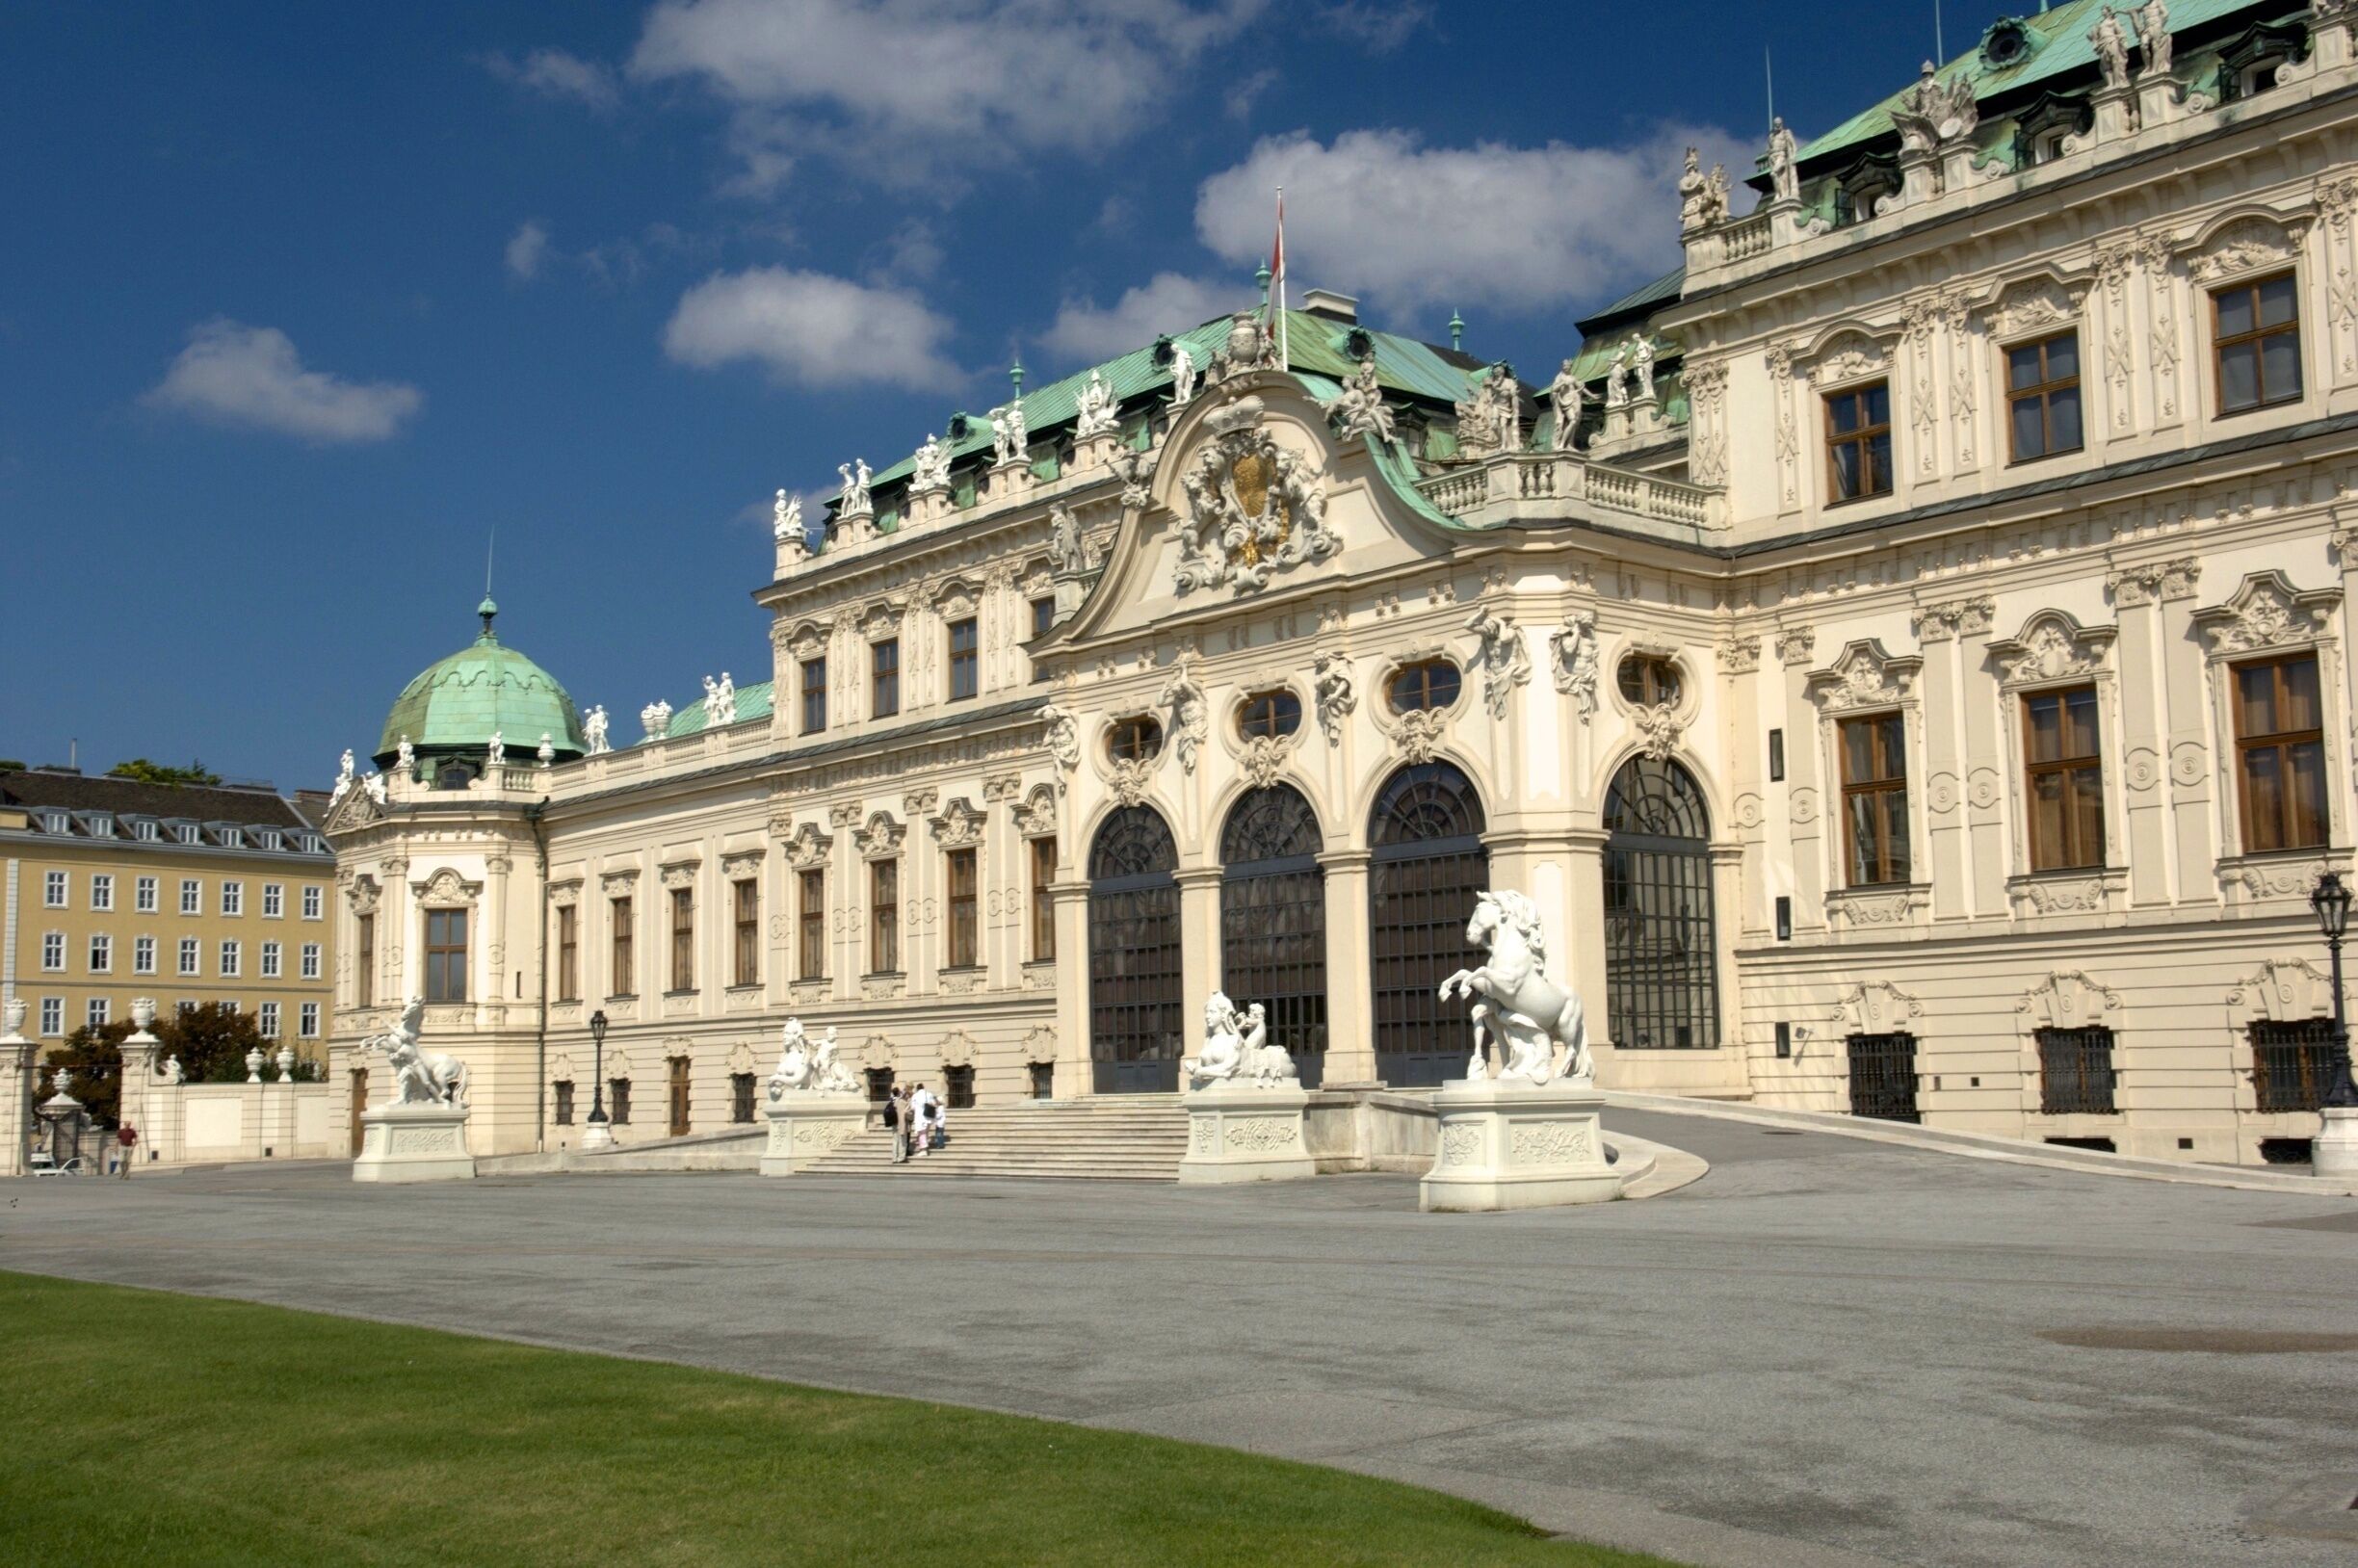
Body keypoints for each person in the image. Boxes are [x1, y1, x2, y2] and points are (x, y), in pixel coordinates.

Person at [909, 1082, 938, 1159]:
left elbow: (913, 1107)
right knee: (926, 1133)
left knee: (922, 1134)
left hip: (920, 1117)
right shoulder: (929, 1094)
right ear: (923, 1087)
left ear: (917, 1088)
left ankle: (923, 1150)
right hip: (928, 1116)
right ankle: (924, 1147)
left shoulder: (915, 1096)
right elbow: (934, 1103)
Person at [886, 1085, 908, 1164]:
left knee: (895, 1140)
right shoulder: (901, 1101)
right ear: (899, 1092)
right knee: (902, 1141)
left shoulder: (891, 1100)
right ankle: (901, 1158)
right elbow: (908, 1111)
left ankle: (894, 1158)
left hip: (893, 1122)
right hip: (900, 1123)